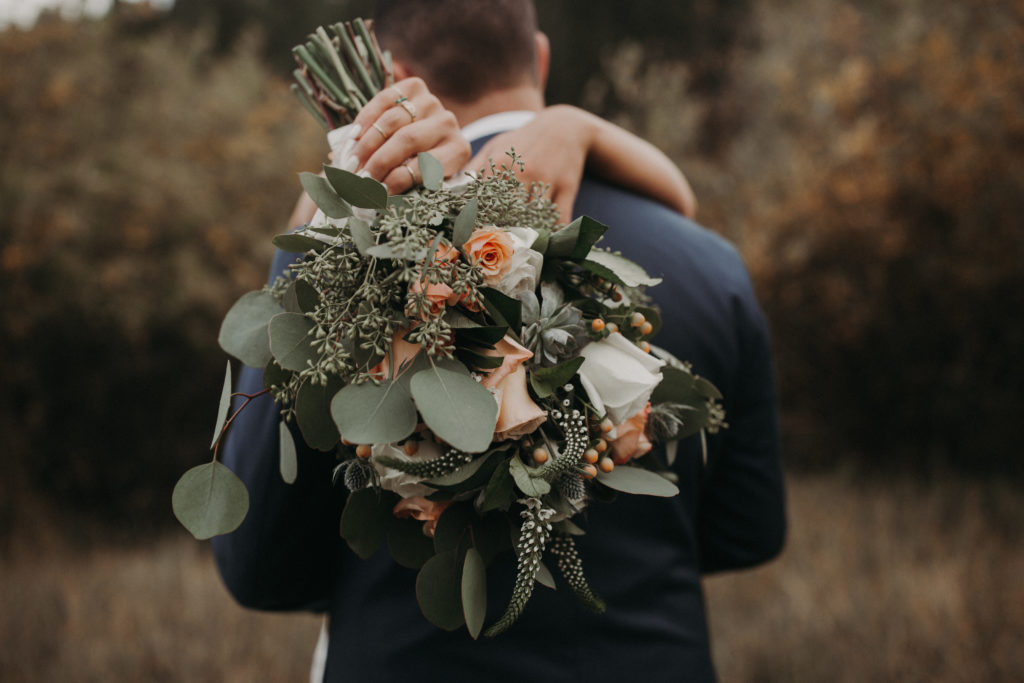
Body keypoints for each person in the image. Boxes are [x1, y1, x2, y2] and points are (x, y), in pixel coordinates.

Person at [213, 1, 785, 681]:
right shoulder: (711, 265)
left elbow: (256, 570)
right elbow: (749, 531)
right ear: (539, 58)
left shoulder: (336, 264)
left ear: (392, 78)